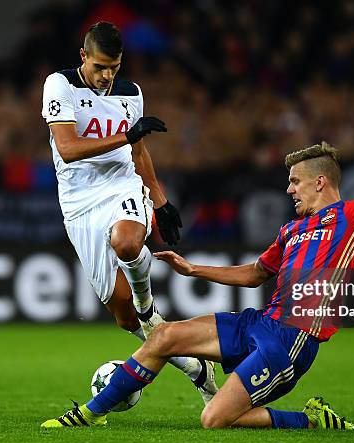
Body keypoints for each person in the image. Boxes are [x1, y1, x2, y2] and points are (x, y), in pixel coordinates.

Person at [41, 118, 354, 429]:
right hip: (260, 324)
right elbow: (253, 274)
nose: (289, 189)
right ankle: (88, 414)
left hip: (291, 341)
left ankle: (311, 421)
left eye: (295, 182)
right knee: (163, 337)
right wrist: (193, 269)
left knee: (214, 420)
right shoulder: (291, 229)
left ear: (320, 182)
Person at [40, 21, 217, 404]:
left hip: (121, 185)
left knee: (126, 241)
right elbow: (68, 148)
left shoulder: (130, 93)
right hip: (78, 201)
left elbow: (137, 153)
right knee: (125, 319)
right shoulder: (60, 85)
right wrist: (128, 135)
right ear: (83, 56)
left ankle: (147, 303)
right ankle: (198, 370)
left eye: (114, 68)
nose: (106, 76)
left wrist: (159, 199)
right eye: (100, 66)